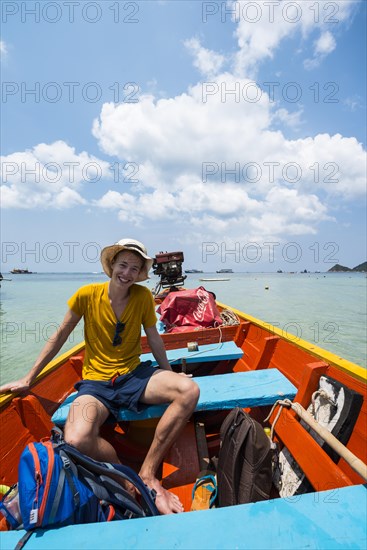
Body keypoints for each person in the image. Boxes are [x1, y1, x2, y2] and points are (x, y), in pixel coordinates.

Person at [0, 238, 200, 515]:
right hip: (95, 384)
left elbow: (154, 339)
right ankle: (123, 475)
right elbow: (60, 337)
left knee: (188, 390)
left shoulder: (142, 297)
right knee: (76, 440)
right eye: (123, 265)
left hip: (134, 375)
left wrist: (167, 373)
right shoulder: (86, 295)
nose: (127, 273)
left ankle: (148, 473)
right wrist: (29, 378)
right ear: (112, 266)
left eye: (134, 268)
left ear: (140, 273)